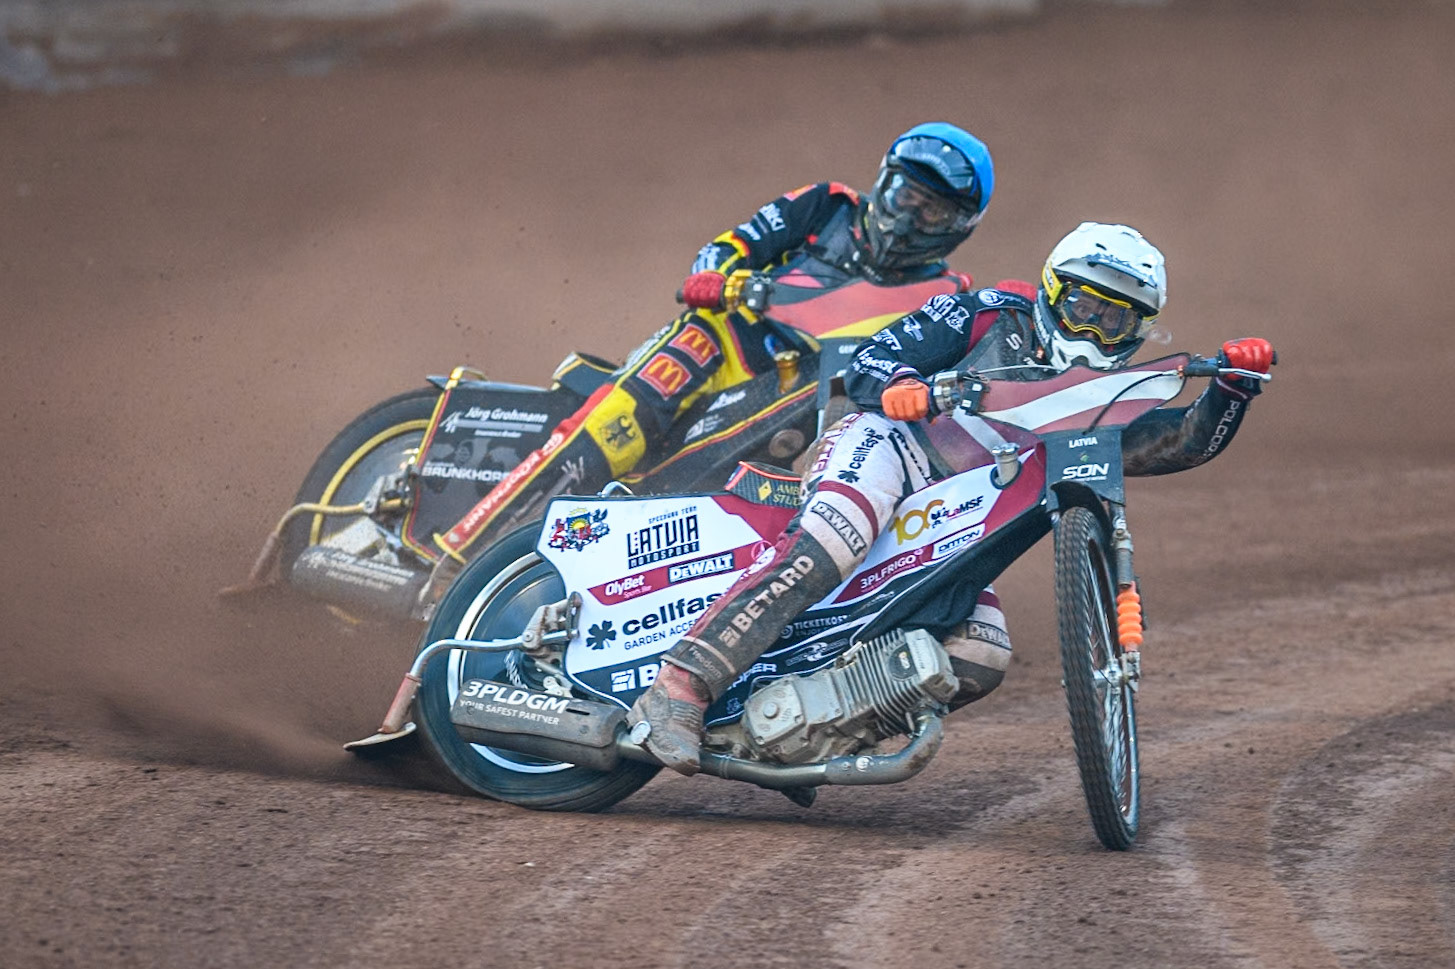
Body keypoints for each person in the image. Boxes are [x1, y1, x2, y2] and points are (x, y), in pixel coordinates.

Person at [629, 221, 1277, 774]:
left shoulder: (1104, 399)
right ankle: (679, 686)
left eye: (1116, 320)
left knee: (980, 652)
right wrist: (905, 385)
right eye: (1084, 307)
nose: (1095, 329)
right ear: (1053, 292)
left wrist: (1230, 391)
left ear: (1139, 331)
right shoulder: (989, 311)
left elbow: (1174, 444)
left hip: (956, 521)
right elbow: (873, 359)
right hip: (892, 449)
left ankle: (800, 739)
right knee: (833, 538)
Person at [428, 123, 995, 580]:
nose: (908, 216)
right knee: (616, 425)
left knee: (732, 505)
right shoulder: (824, 206)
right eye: (905, 195)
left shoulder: (948, 295)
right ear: (884, 181)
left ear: (959, 226)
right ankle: (454, 555)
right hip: (723, 343)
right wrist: (723, 280)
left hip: (799, 401)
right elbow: (724, 250)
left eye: (932, 211)